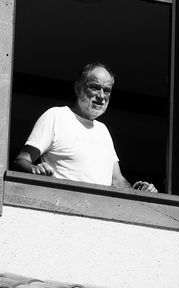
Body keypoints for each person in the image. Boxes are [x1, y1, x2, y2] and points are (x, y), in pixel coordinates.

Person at [13, 61, 157, 192]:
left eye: (107, 90)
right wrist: (34, 169)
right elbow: (21, 161)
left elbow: (117, 180)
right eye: (95, 87)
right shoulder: (57, 116)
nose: (101, 96)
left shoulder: (103, 130)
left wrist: (139, 191)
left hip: (101, 213)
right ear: (78, 88)